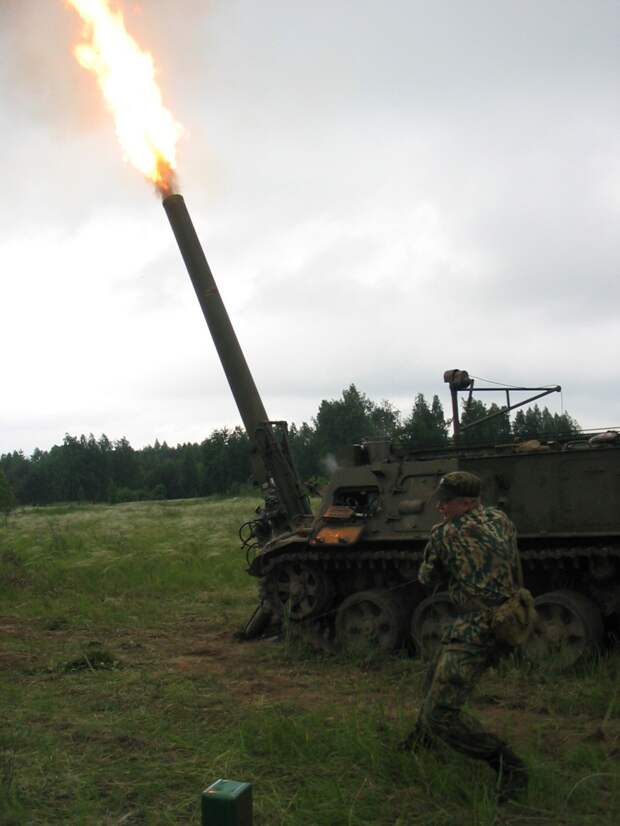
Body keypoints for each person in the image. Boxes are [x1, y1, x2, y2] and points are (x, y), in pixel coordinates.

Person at [402, 470, 529, 803]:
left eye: (446, 502)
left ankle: (508, 765)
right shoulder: (501, 519)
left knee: (441, 714)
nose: (440, 507)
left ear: (467, 502)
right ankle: (422, 739)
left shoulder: (445, 534)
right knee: (434, 676)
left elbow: (427, 578)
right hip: (505, 617)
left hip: (478, 627)